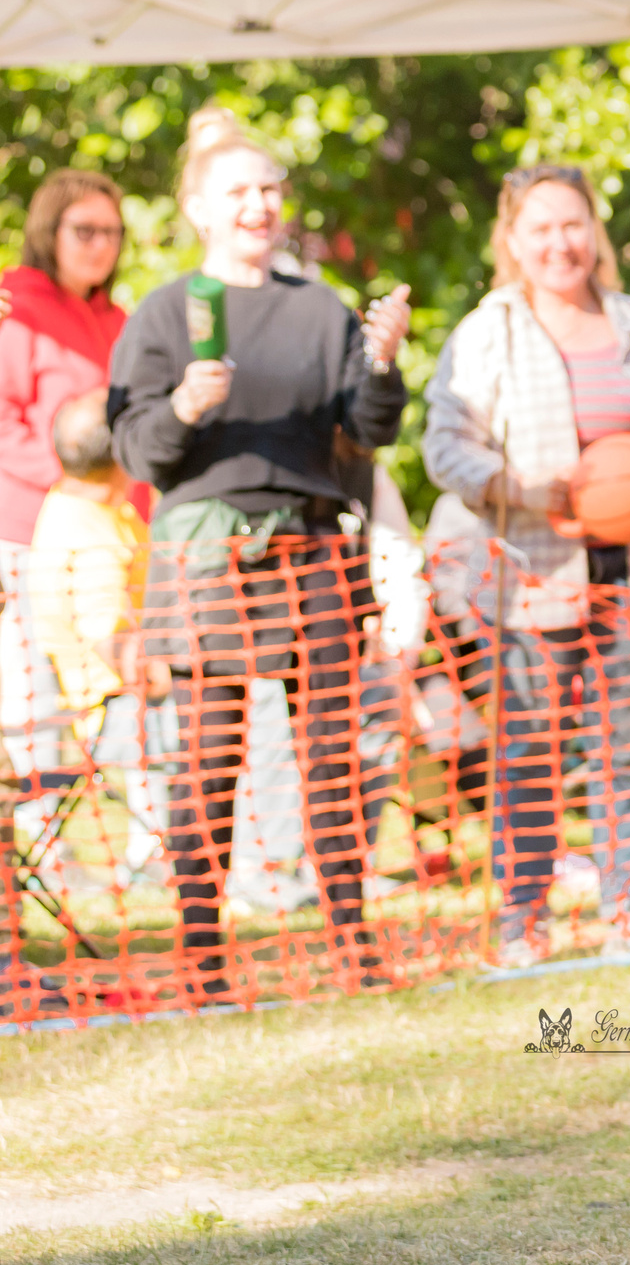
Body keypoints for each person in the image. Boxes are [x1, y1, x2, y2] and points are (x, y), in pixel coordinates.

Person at [108, 106, 411, 995]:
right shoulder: (166, 313)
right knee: (207, 760)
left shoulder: (319, 308)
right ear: (200, 207)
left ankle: (353, 946)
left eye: (271, 188)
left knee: (331, 755)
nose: (259, 203)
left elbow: (366, 433)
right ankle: (203, 959)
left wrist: (383, 364)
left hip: (314, 553)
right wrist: (185, 410)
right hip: (209, 561)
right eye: (238, 190)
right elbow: (138, 451)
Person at [421, 163, 630, 968]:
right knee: (528, 747)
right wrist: (509, 485)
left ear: (595, 232)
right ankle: (523, 921)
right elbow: (444, 445)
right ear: (512, 241)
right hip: (534, 574)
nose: (561, 243)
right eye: (542, 228)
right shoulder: (487, 334)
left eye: (574, 224)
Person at [0, 170, 130, 852]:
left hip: (114, 536)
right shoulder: (14, 307)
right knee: (36, 696)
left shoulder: (116, 319)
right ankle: (44, 851)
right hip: (32, 535)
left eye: (111, 231)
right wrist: (75, 480)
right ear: (50, 232)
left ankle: (146, 847)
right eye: (84, 229)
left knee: (123, 686)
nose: (99, 245)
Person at [26, 388, 167, 884]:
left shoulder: (80, 504)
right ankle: (155, 856)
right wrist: (167, 676)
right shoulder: (90, 538)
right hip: (112, 710)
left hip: (122, 701)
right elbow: (108, 633)